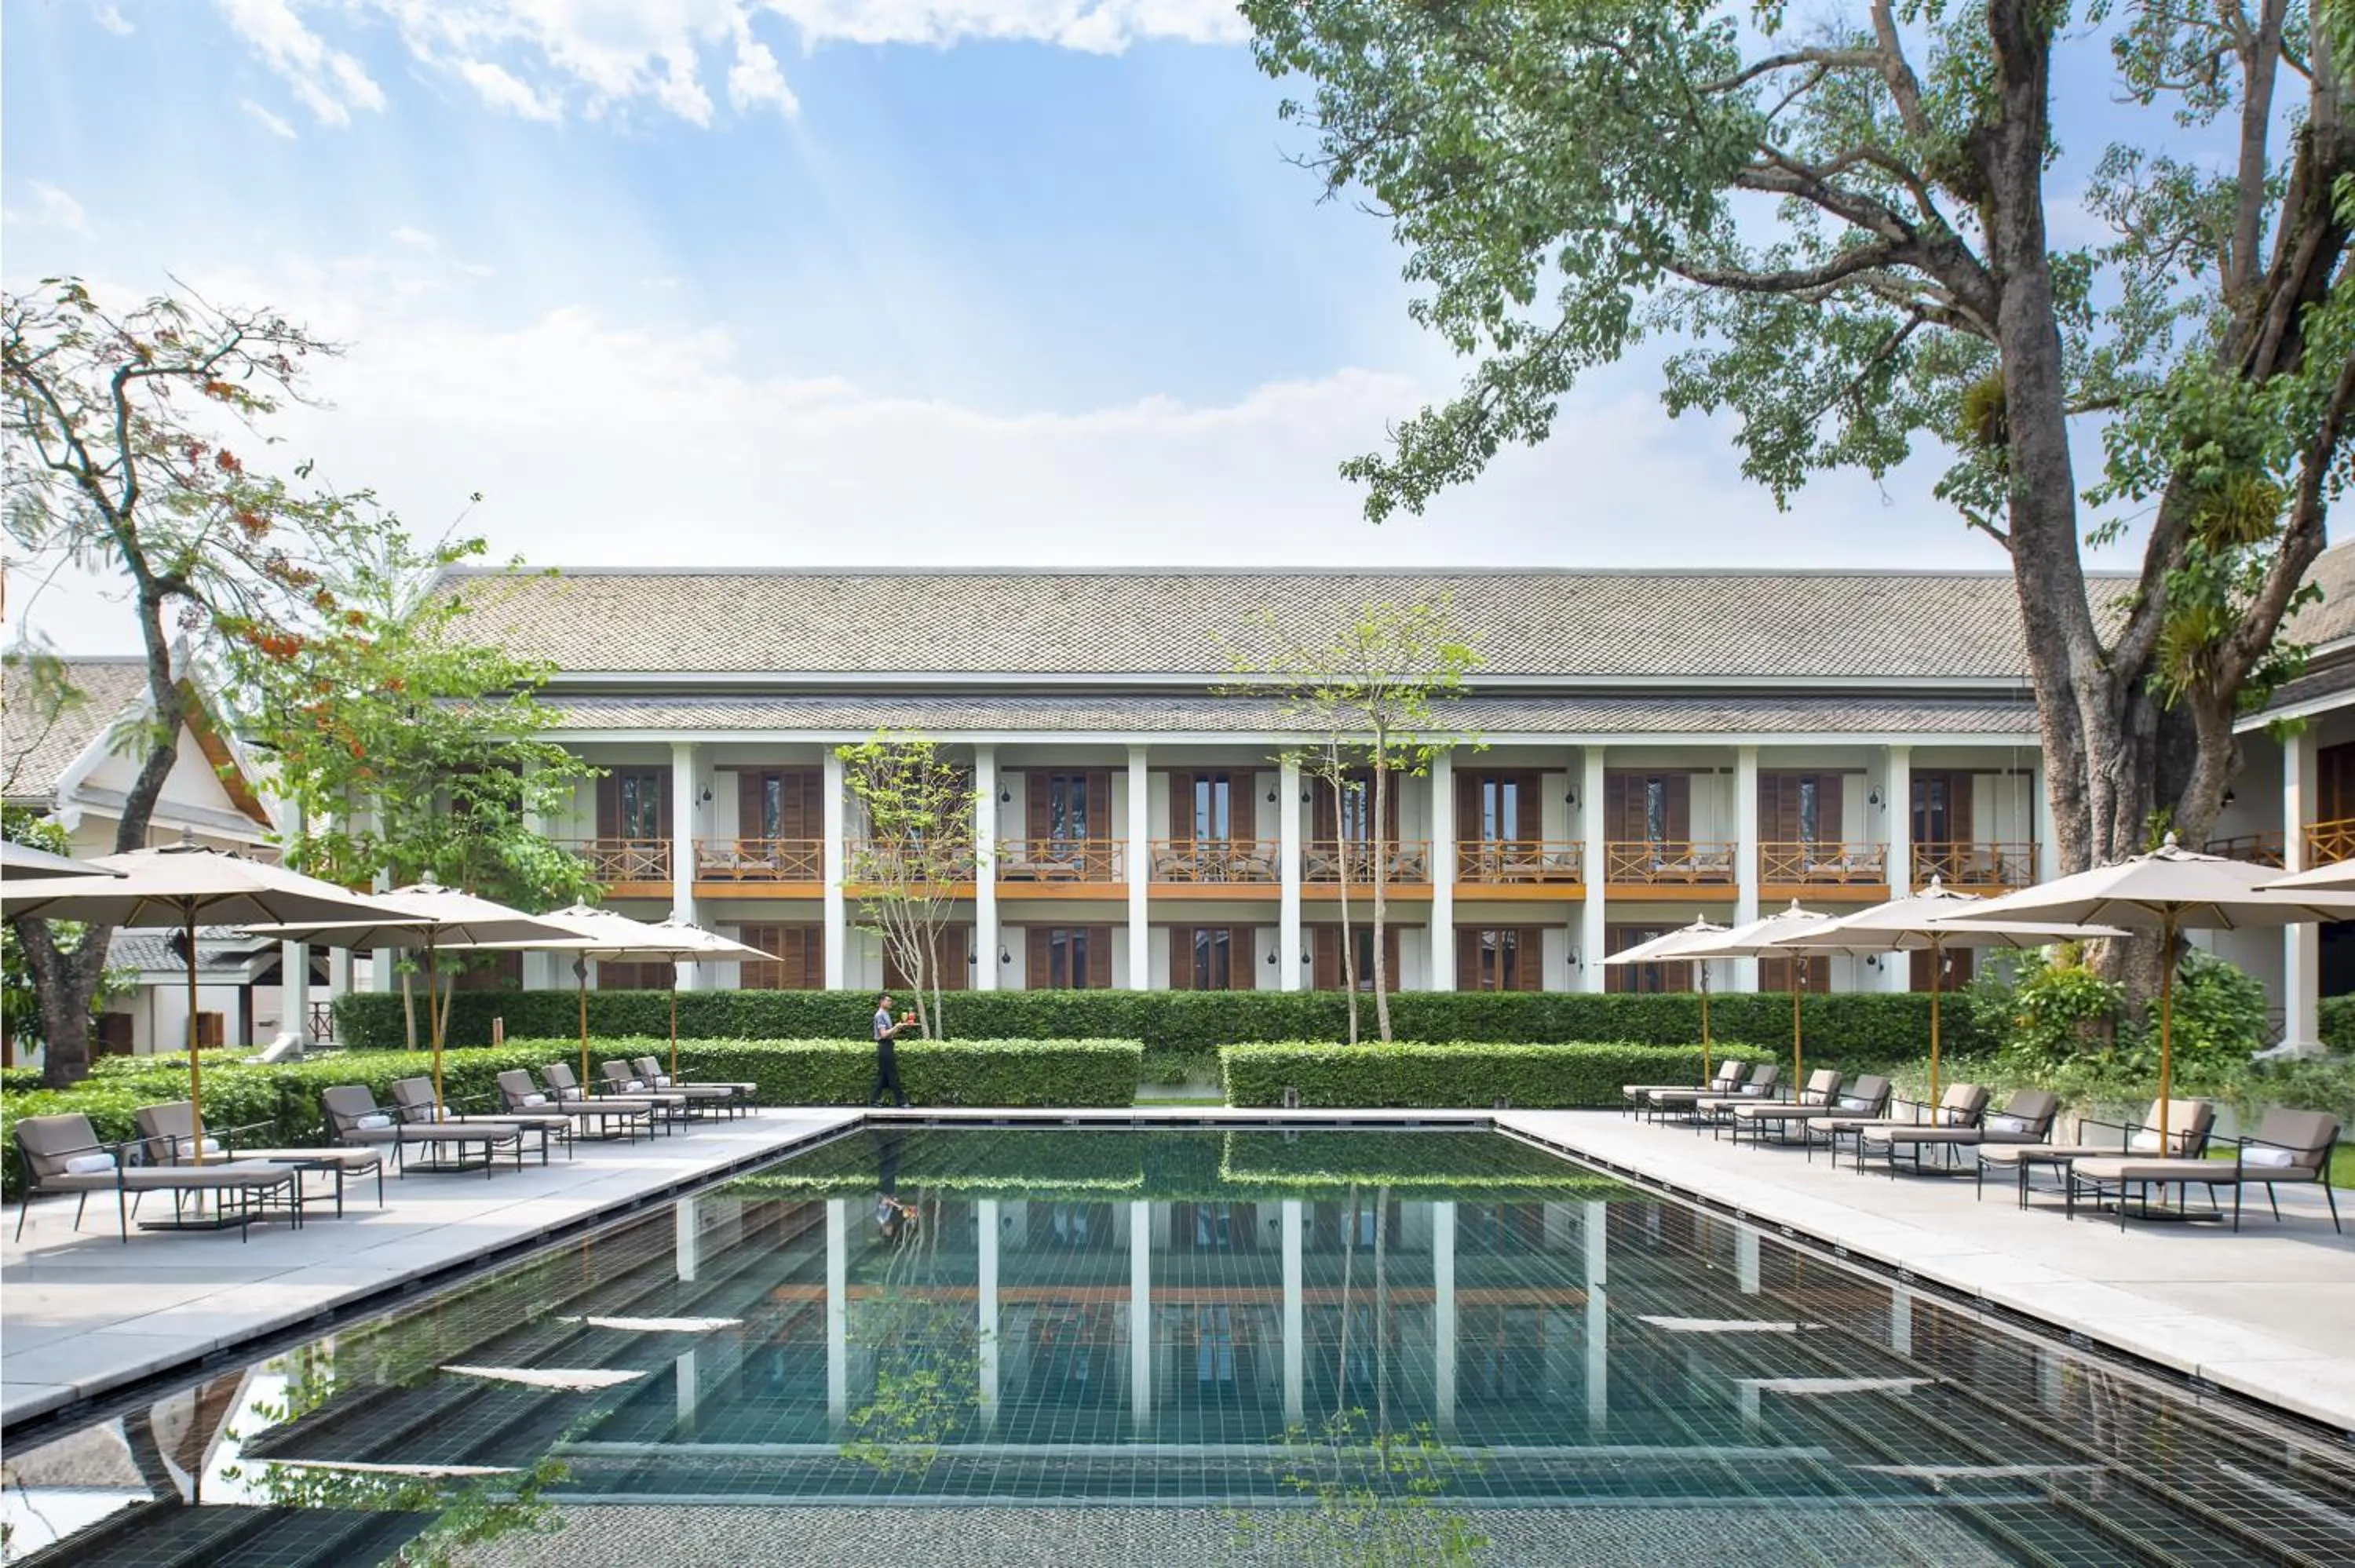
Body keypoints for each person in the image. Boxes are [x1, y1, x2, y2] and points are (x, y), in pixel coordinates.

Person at [870, 991, 911, 1107]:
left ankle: (873, 1100)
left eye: (890, 1001)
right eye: (888, 1001)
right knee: (892, 1075)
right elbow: (883, 1034)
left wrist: (899, 1028)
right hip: (884, 1046)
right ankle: (901, 1102)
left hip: (888, 1045)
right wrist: (896, 1027)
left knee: (883, 1076)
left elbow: (889, 1034)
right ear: (881, 1002)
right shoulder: (880, 1015)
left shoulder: (886, 1014)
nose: (890, 1003)